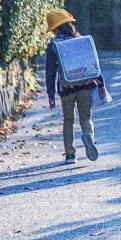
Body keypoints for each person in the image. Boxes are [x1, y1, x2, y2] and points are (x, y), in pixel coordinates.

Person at [44, 9, 104, 164]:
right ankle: (88, 136)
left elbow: (50, 72)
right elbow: (94, 63)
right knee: (86, 117)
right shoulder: (82, 40)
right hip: (86, 85)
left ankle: (70, 154)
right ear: (70, 23)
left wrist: (51, 94)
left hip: (66, 88)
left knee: (68, 120)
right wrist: (101, 84)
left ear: (55, 28)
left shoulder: (54, 46)